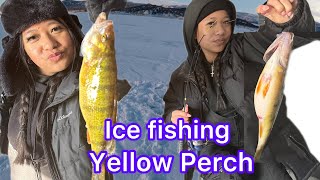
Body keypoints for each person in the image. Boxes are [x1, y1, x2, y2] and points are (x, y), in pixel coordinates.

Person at [162, 0, 320, 179]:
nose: (221, 30)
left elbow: (279, 36)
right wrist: (173, 117)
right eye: (211, 23)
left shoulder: (243, 47)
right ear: (193, 30)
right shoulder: (181, 77)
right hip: (216, 154)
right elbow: (170, 109)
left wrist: (286, 20)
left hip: (269, 148)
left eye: (226, 22)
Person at [0, 0, 130, 179]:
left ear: (71, 31)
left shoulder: (83, 85)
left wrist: (101, 18)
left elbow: (101, 68)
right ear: (22, 50)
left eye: (55, 29)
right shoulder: (13, 93)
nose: (50, 43)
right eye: (32, 37)